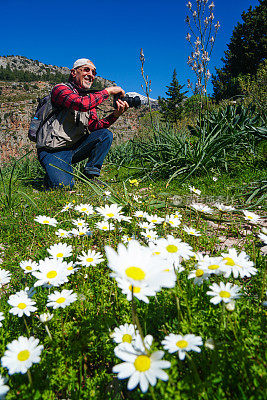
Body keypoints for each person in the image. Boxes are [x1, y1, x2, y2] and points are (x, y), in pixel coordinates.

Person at [36, 58, 129, 189]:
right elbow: (81, 104)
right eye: (86, 70)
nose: (91, 75)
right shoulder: (60, 89)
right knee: (64, 186)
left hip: (74, 148)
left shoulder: (89, 100)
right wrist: (108, 91)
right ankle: (53, 174)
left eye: (94, 72)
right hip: (52, 151)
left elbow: (95, 127)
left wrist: (115, 115)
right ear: (73, 73)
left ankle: (90, 175)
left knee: (104, 135)